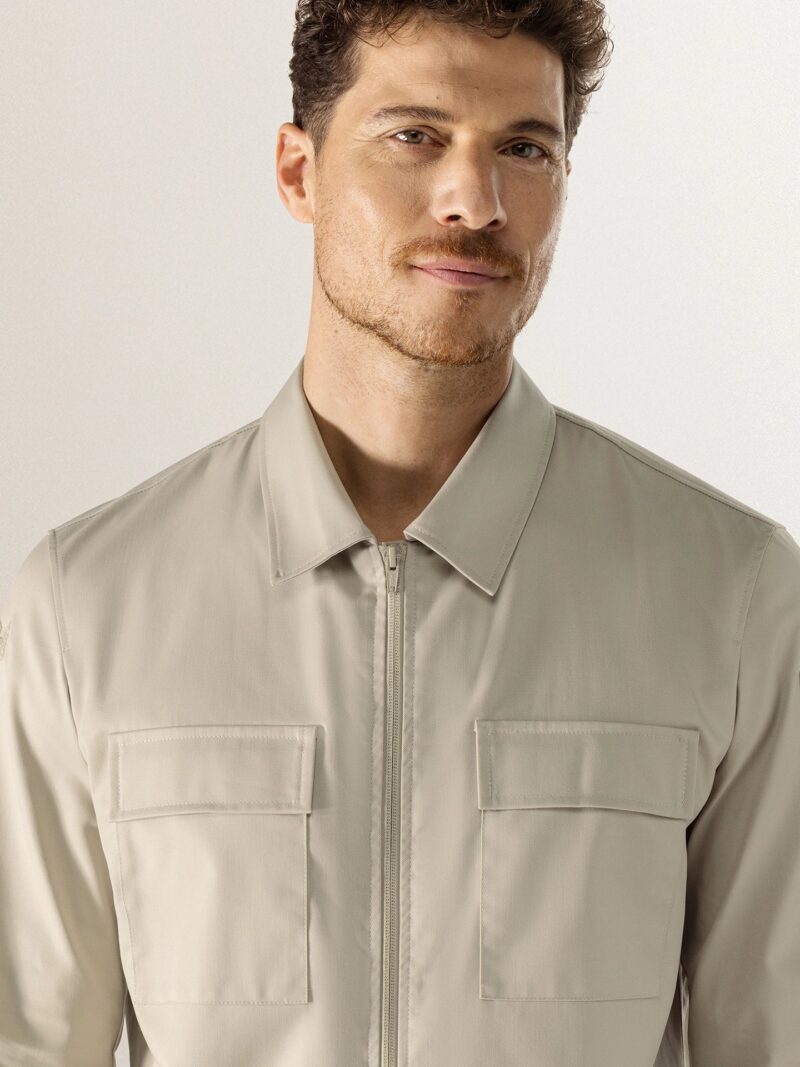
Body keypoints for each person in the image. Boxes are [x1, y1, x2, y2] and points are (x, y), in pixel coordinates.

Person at [1, 2, 798, 1065]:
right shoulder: (85, 602)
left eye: (524, 148)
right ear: (299, 172)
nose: (475, 200)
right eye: (415, 135)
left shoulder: (731, 595)